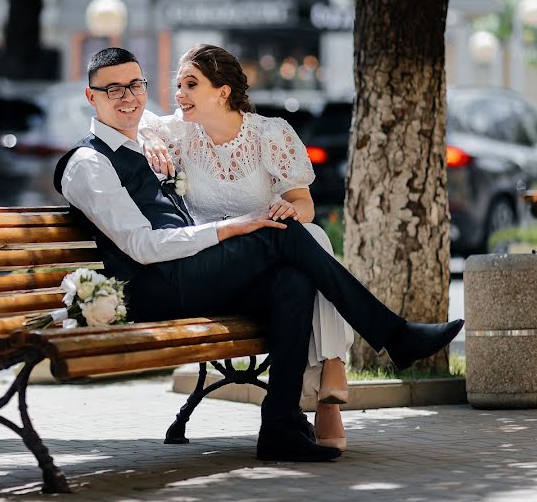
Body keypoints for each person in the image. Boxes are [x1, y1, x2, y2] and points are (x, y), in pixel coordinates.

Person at [55, 47, 463, 463]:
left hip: (188, 276)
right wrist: (229, 228)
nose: (128, 96)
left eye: (135, 85)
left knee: (293, 279)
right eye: (113, 89)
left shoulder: (147, 141)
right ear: (92, 97)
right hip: (157, 286)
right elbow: (142, 246)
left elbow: (160, 131)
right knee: (281, 232)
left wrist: (151, 140)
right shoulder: (88, 164)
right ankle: (394, 335)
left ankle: (280, 427)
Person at [139, 43, 352, 450]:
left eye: (190, 84)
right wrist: (150, 136)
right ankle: (333, 367)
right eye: (178, 85)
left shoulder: (270, 134)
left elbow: (304, 204)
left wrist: (286, 211)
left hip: (270, 264)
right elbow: (141, 121)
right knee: (307, 250)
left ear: (222, 92)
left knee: (307, 244)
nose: (179, 94)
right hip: (217, 268)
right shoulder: (180, 133)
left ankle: (314, 405)